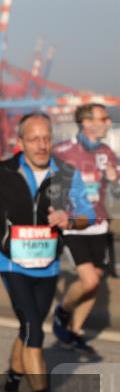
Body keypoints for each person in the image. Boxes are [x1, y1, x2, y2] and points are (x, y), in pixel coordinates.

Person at [0, 112, 93, 392]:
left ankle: (9, 387)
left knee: (27, 329)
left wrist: (70, 219)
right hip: (12, 263)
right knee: (34, 333)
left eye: (47, 138)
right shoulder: (2, 171)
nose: (41, 145)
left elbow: (86, 215)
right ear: (20, 143)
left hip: (48, 265)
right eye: (34, 139)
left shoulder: (66, 174)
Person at [51, 103, 119, 355]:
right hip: (73, 223)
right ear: (86, 123)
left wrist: (115, 181)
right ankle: (63, 312)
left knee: (95, 282)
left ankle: (75, 332)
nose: (108, 122)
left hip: (99, 223)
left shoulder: (107, 153)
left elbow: (117, 192)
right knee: (89, 279)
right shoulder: (63, 151)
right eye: (103, 118)